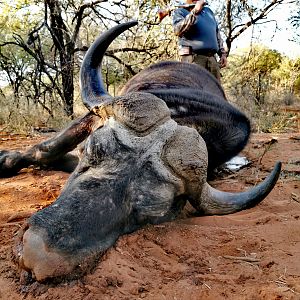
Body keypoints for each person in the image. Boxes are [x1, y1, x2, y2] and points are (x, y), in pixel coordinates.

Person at [172, 0, 227, 81]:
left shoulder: (208, 11)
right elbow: (177, 30)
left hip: (212, 59)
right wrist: (195, 12)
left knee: (215, 92)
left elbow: (216, 33)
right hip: (194, 59)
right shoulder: (180, 11)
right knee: (194, 92)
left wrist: (222, 54)